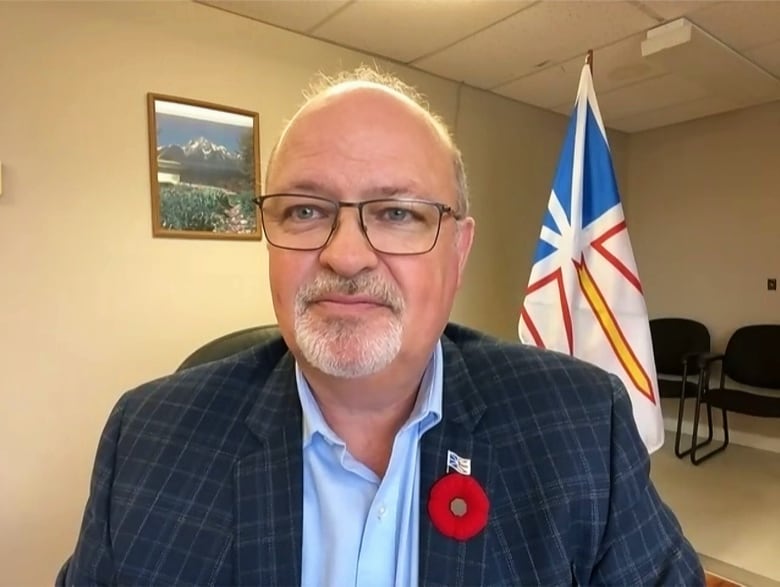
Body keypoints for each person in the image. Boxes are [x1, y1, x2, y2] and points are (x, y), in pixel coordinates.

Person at [58, 66, 704, 586]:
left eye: (397, 213)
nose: (346, 254)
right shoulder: (146, 436)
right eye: (306, 209)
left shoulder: (582, 421)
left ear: (457, 250)